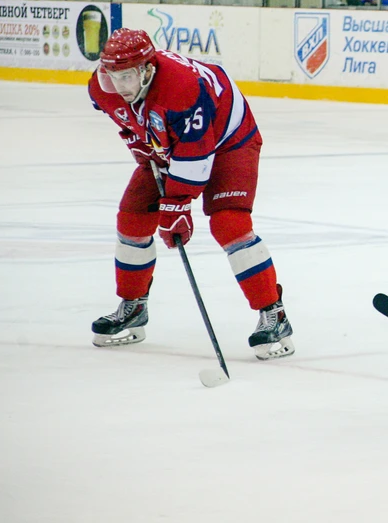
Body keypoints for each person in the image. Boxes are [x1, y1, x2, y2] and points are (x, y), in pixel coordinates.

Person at [87, 29, 295, 360]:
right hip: (168, 141)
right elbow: (129, 126)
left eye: (127, 76)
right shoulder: (104, 88)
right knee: (132, 219)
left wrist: (176, 207)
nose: (121, 85)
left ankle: (274, 314)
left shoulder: (182, 87)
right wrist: (146, 152)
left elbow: (195, 154)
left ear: (147, 68)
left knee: (229, 224)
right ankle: (133, 306)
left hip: (230, 139)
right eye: (114, 76)